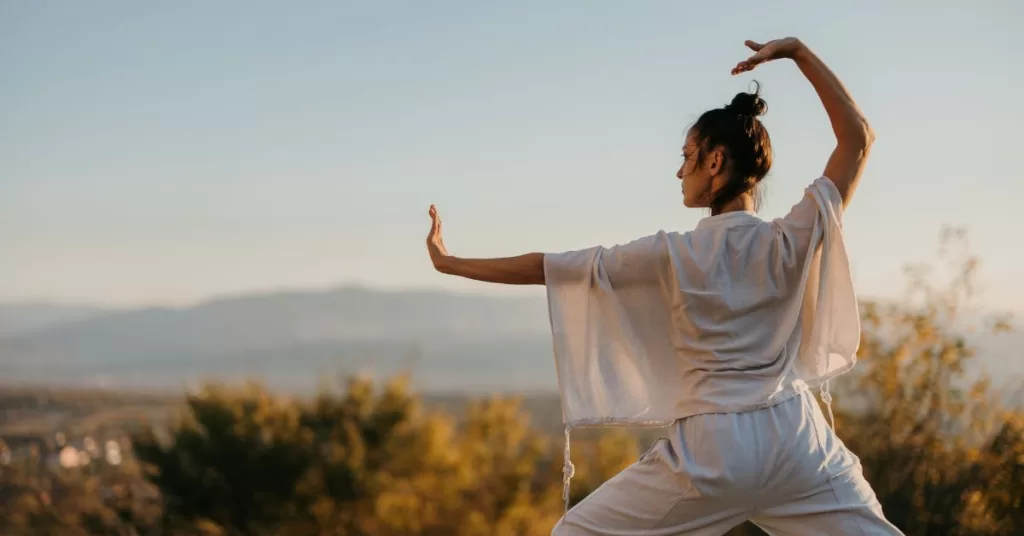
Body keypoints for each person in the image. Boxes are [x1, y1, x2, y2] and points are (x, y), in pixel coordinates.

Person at [425, 37, 903, 535]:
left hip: (714, 452)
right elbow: (859, 137)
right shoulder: (792, 238)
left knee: (574, 533)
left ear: (715, 162)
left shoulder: (669, 255)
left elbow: (550, 267)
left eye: (688, 155)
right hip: (796, 440)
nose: (680, 170)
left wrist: (452, 263)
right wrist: (798, 53)